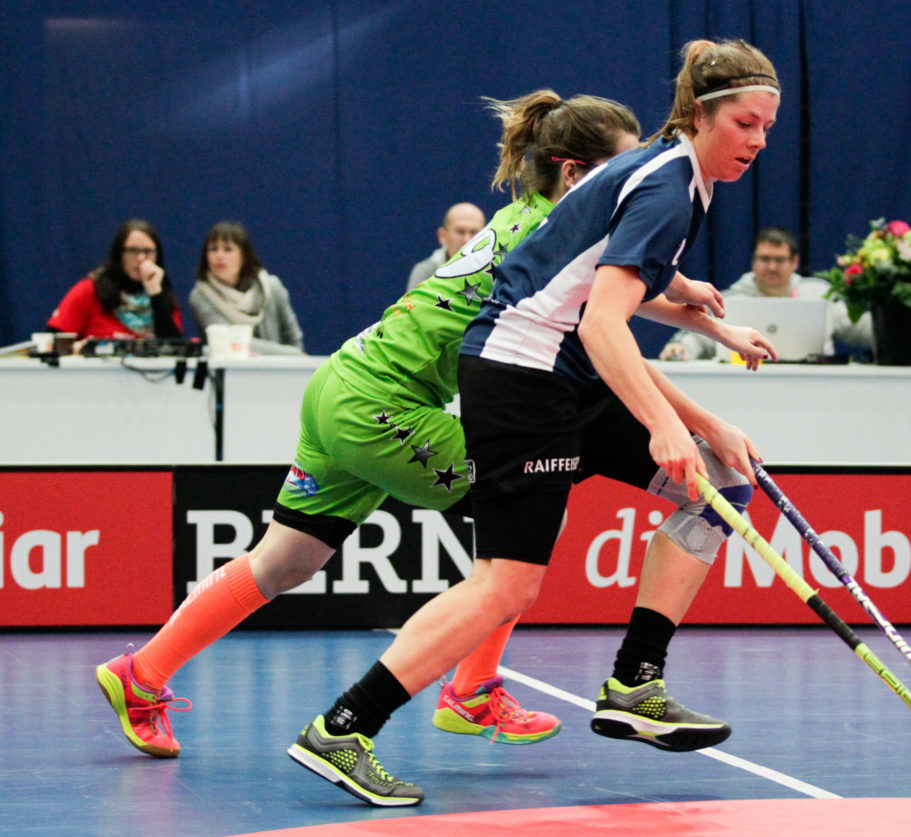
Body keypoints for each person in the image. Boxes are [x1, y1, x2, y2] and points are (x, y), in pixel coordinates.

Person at [285, 38, 782, 808]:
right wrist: (668, 424)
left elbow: (589, 275)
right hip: (525, 378)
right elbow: (601, 326)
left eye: (766, 128)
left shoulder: (670, 169)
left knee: (719, 485)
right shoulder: (667, 185)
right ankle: (345, 726)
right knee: (508, 582)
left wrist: (710, 328)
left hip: (554, 370)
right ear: (700, 115)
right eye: (745, 123)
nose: (756, 141)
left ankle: (634, 681)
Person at [96, 92, 642, 766]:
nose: (634, 186)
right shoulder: (555, 237)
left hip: (341, 382)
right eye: (625, 171)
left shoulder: (522, 215)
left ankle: (140, 673)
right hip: (382, 404)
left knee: (284, 560)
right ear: (574, 174)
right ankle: (470, 690)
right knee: (531, 515)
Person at [659, 226, 871, 360]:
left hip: (815, 386)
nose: (771, 267)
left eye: (779, 260)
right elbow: (698, 335)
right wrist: (680, 349)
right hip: (746, 384)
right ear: (753, 261)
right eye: (764, 259)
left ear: (794, 262)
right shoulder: (730, 300)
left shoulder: (820, 295)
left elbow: (858, 330)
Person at [47, 219, 182, 341]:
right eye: (133, 250)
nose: (141, 258)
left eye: (148, 251)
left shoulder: (162, 292)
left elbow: (175, 348)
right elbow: (52, 339)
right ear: (119, 254)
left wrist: (155, 294)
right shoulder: (90, 290)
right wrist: (79, 350)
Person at [189, 220, 305, 353]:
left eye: (228, 249)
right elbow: (230, 341)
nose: (219, 256)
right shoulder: (200, 296)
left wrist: (294, 355)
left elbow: (293, 339)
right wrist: (293, 354)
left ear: (243, 255)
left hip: (279, 371)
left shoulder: (271, 286)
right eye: (213, 249)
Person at [404, 202, 486, 292]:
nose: (467, 240)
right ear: (443, 236)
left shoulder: (497, 272)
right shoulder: (426, 273)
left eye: (474, 232)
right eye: (460, 232)